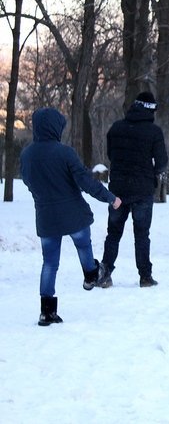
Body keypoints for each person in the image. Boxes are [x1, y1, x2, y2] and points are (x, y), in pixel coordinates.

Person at [20, 107, 122, 326]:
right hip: (73, 215)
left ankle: (47, 312)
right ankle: (91, 275)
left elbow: (27, 180)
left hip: (46, 216)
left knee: (49, 263)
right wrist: (110, 198)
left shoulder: (27, 155)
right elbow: (86, 182)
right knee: (83, 245)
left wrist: (42, 196)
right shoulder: (65, 153)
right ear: (55, 127)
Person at [98, 91, 168, 288]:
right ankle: (145, 277)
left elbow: (111, 154)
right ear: (150, 110)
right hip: (143, 189)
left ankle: (105, 273)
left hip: (117, 189)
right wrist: (151, 172)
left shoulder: (116, 128)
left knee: (113, 233)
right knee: (142, 234)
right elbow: (162, 162)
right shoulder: (154, 132)